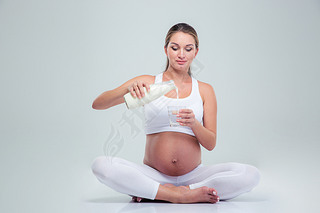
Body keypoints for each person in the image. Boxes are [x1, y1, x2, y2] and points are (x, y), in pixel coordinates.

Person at [91, 23, 260, 204]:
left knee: (250, 175)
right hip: (153, 174)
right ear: (166, 50)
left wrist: (194, 124)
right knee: (101, 166)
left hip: (194, 175)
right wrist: (127, 89)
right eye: (175, 48)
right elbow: (98, 104)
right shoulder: (148, 84)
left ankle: (164, 191)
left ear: (195, 52)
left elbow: (210, 143)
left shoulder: (204, 90)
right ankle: (176, 195)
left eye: (188, 49)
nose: (181, 54)